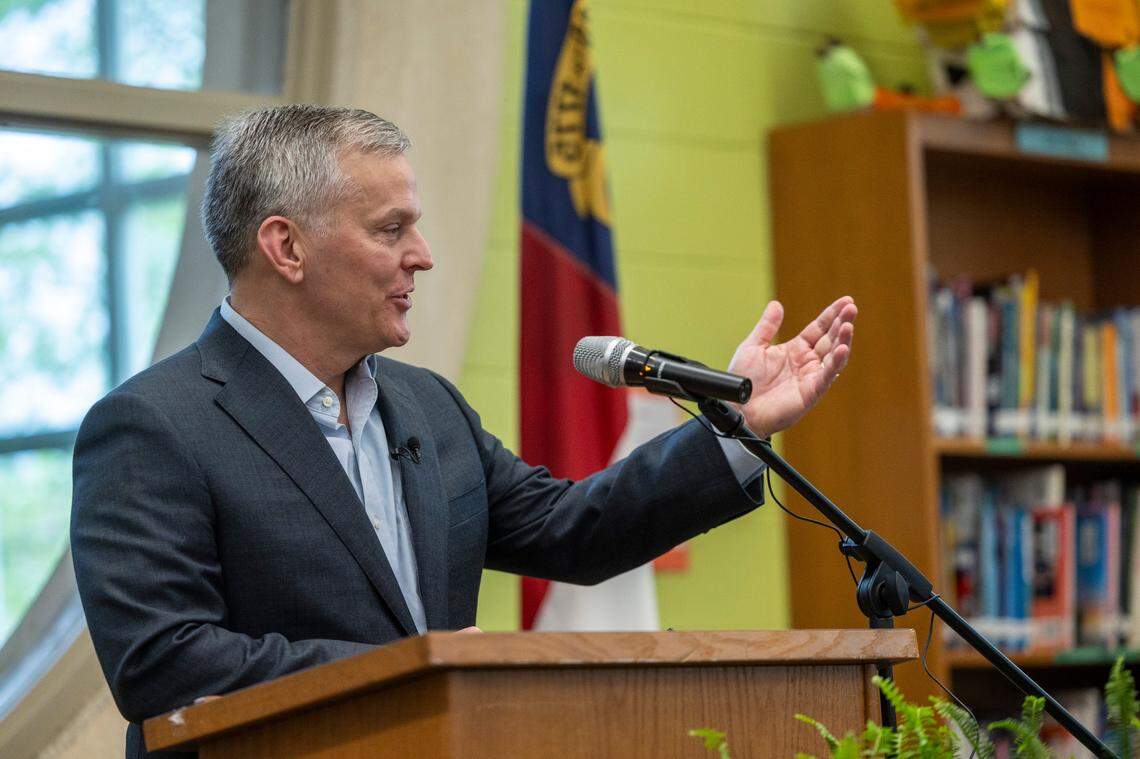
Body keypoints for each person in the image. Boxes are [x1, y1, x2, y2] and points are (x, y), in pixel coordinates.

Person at [70, 105, 857, 759]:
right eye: (391, 228)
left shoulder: (426, 407)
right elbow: (164, 661)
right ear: (285, 247)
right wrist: (422, 668)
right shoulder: (153, 426)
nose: (424, 255)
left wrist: (736, 425)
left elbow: (570, 532)